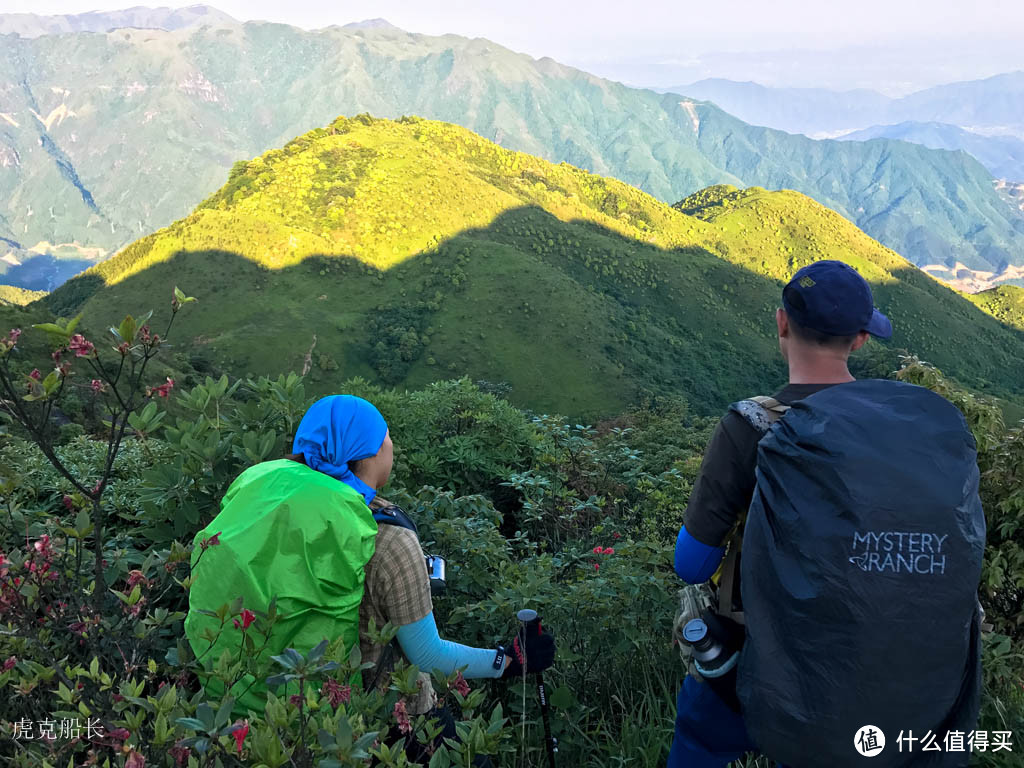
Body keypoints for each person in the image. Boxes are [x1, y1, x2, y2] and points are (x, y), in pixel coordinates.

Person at [669, 260, 984, 767]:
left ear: (781, 323)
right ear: (860, 340)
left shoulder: (752, 426)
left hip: (762, 664)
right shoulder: (908, 431)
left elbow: (692, 565)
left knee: (700, 737)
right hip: (885, 668)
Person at [185, 395, 555, 757]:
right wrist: (508, 661)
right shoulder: (389, 539)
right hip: (383, 719)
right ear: (371, 454)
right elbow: (427, 654)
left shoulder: (263, 502)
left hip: (266, 708)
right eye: (385, 436)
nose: (391, 444)